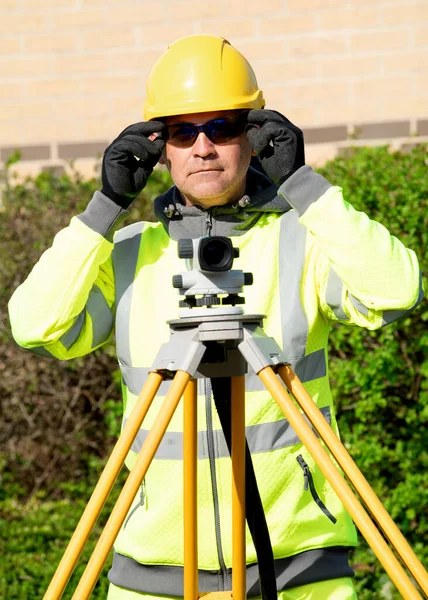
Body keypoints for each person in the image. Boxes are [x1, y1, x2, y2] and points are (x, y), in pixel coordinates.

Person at [8, 34, 423, 600]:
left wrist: (303, 186)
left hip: (298, 571)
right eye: (183, 132)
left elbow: (397, 291)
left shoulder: (302, 242)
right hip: (154, 577)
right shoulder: (127, 253)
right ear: (162, 149)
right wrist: (104, 206)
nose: (203, 147)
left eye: (222, 127)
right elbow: (34, 325)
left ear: (253, 139)